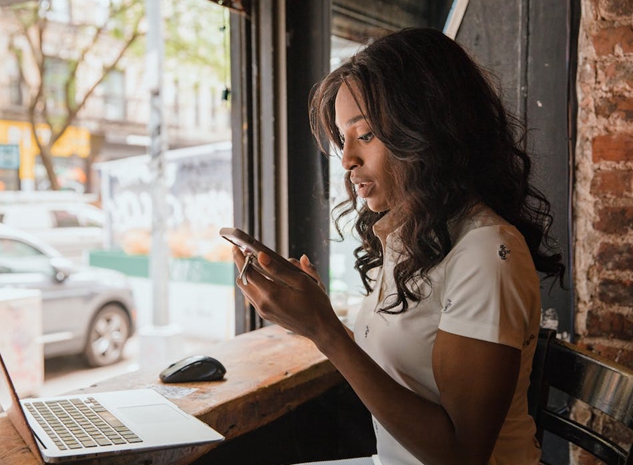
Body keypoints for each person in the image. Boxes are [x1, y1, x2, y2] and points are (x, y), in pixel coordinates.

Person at [230, 27, 565, 465]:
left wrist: (325, 332)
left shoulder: (487, 253)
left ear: (427, 130)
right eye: (343, 138)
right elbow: (402, 373)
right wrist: (314, 316)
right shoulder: (418, 236)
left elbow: (462, 456)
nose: (347, 159)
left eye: (365, 135)